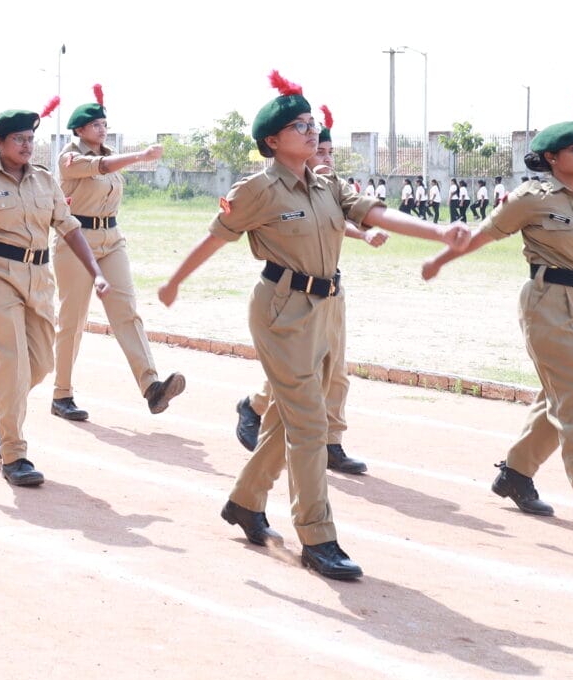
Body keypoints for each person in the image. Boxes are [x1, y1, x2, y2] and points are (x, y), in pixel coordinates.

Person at [158, 72, 468, 580]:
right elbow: (216, 237)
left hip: (325, 306)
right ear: (272, 141)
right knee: (309, 424)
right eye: (299, 126)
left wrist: (438, 231)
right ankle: (317, 537)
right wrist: (174, 282)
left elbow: (376, 214)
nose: (311, 131)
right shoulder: (256, 190)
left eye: (312, 123)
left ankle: (245, 501)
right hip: (280, 311)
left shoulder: (327, 184)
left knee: (290, 417)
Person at [421, 96, 573, 539]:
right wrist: (438, 261)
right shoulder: (530, 199)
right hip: (549, 303)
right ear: (552, 157)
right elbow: (483, 234)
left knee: (564, 397)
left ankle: (515, 473)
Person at [0, 104, 115, 487]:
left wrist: (96, 273)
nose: (27, 145)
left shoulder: (45, 180)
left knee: (41, 363)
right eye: (19, 139)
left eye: (31, 139)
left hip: (38, 277)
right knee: (12, 363)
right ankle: (14, 455)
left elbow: (69, 228)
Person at [234, 105, 385, 475]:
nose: (326, 157)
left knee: (336, 372)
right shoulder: (278, 188)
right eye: (321, 151)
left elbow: (337, 220)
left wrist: (365, 233)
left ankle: (331, 442)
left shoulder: (330, 186)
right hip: (291, 295)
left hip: (330, 292)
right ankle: (255, 408)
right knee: (299, 377)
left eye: (330, 152)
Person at [50, 85, 184, 424]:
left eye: (104, 124)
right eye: (95, 125)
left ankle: (152, 387)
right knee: (73, 319)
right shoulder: (69, 157)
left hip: (111, 238)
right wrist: (140, 156)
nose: (102, 129)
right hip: (75, 239)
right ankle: (61, 394)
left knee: (126, 311)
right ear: (79, 129)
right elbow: (99, 167)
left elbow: (107, 166)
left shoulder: (109, 153)